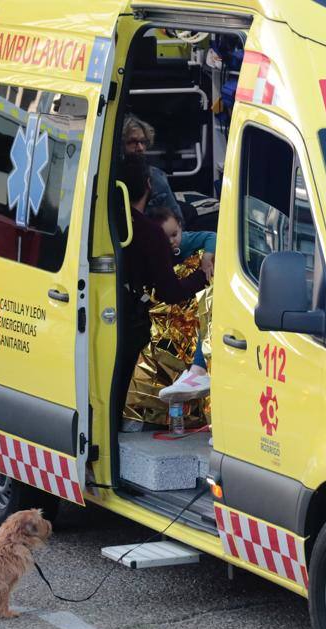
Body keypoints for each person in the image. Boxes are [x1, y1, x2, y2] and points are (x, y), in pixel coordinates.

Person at [116, 154, 209, 430]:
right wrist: (201, 278)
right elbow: (169, 291)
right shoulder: (148, 232)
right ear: (148, 185)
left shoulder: (114, 220)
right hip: (134, 315)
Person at [148, 207, 215, 400]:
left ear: (180, 227)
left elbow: (212, 236)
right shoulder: (157, 253)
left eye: (175, 234)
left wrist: (207, 256)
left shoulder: (186, 241)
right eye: (165, 238)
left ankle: (197, 373)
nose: (172, 241)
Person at [121, 114, 184, 223]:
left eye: (143, 142)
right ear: (119, 145)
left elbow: (178, 223)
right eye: (132, 142)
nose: (140, 148)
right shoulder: (105, 178)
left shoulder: (156, 178)